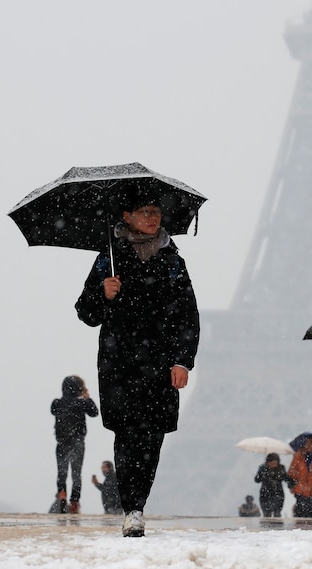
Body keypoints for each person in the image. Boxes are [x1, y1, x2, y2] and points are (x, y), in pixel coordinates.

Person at [75, 191, 200, 537]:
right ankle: (133, 508)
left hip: (160, 364)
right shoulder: (108, 259)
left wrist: (182, 361)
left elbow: (187, 315)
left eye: (157, 212)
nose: (153, 218)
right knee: (128, 436)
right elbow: (86, 313)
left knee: (152, 438)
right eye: (146, 212)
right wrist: (103, 293)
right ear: (127, 215)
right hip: (120, 364)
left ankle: (137, 503)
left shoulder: (173, 260)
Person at [51, 375, 99, 514]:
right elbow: (94, 413)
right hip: (77, 441)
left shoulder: (57, 403)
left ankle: (61, 494)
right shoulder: (82, 403)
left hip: (61, 442)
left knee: (62, 471)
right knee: (76, 474)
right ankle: (74, 502)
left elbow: (53, 410)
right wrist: (87, 398)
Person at [254, 452, 294, 517]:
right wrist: (262, 475)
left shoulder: (281, 468)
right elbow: (257, 480)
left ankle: (277, 527)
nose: (274, 465)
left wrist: (291, 485)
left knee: (277, 514)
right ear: (268, 462)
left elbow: (287, 478)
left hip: (278, 493)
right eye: (272, 463)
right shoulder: (263, 468)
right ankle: (267, 526)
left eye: (275, 463)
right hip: (265, 494)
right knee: (267, 514)